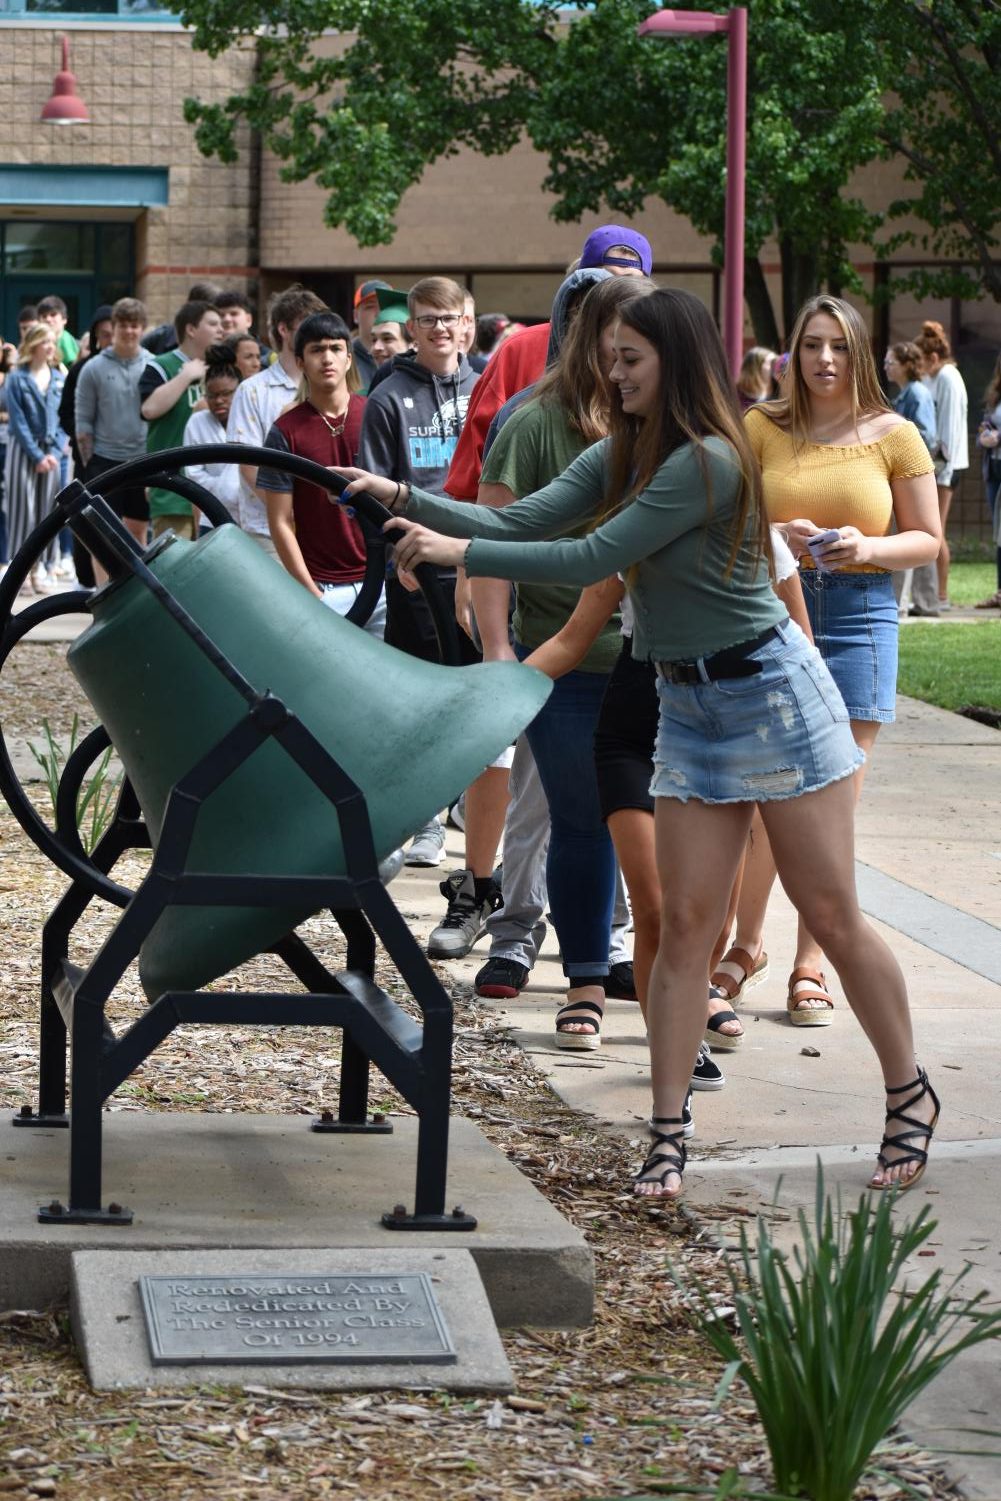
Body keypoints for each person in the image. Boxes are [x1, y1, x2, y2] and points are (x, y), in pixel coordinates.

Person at [335, 287, 941, 1201]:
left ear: (676, 361)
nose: (609, 374)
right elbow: (527, 517)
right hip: (686, 707)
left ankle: (908, 1093)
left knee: (831, 914)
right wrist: (404, 496)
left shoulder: (705, 460)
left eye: (628, 360)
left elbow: (586, 557)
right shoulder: (626, 447)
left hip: (771, 695)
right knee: (684, 925)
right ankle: (666, 1134)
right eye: (608, 358)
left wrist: (456, 554)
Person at [722, 294, 940, 1029]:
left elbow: (927, 540)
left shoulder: (894, 433)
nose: (823, 359)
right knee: (766, 793)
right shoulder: (758, 426)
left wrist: (864, 545)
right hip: (775, 610)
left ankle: (807, 962)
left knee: (830, 806)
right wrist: (775, 529)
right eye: (810, 345)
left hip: (860, 614)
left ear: (859, 353)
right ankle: (745, 944)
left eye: (838, 346)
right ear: (791, 352)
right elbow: (728, 518)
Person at [459, 272, 648, 1037]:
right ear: (588, 334)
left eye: (641, 338)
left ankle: (676, 981)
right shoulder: (532, 422)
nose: (625, 353)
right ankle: (586, 980)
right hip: (562, 661)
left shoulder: (665, 424)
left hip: (653, 657)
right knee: (578, 819)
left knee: (652, 825)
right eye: (616, 334)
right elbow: (495, 539)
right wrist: (500, 648)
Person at [255, 312, 381, 632]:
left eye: (336, 348)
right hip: (323, 588)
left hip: (383, 582)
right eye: (316, 350)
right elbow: (280, 521)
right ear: (300, 361)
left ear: (349, 359)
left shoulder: (376, 414)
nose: (327, 358)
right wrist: (309, 591)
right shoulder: (285, 430)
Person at [226, 285, 328, 558]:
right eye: (306, 324)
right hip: (267, 531)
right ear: (283, 330)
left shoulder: (329, 386)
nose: (315, 333)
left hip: (322, 532)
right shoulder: (253, 390)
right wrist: (289, 512)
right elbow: (247, 462)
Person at [74, 297, 154, 576]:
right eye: (123, 325)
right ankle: (104, 595)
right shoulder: (94, 368)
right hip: (104, 460)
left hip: (143, 460)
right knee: (104, 537)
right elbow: (83, 422)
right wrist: (90, 463)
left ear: (142, 328)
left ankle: (140, 595)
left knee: (138, 532)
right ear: (115, 327)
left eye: (135, 325)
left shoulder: (153, 365)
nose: (129, 331)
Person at [139, 298, 225, 539]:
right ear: (191, 329)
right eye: (213, 323)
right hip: (173, 492)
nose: (221, 329)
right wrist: (185, 376)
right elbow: (149, 409)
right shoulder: (161, 365)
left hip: (215, 490)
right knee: (172, 570)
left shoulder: (221, 370)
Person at [3, 322, 68, 591]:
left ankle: (40, 569)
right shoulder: (17, 377)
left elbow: (65, 418)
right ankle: (20, 572)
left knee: (47, 513)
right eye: (45, 341)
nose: (50, 346)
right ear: (33, 344)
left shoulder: (58, 378)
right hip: (23, 451)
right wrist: (36, 455)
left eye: (52, 341)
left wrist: (52, 453)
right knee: (22, 512)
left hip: (51, 454)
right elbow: (16, 422)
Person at [909, 320, 968, 615]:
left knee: (936, 532)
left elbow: (947, 429)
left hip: (946, 465)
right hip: (941, 464)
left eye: (921, 361)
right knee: (934, 529)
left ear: (933, 358)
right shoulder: (937, 377)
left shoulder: (947, 377)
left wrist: (938, 468)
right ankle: (936, 593)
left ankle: (941, 594)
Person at [182, 342, 242, 532]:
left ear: (240, 390)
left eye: (226, 394)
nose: (219, 401)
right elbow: (193, 474)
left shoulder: (249, 420)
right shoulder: (197, 422)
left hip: (249, 516)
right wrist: (228, 487)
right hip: (212, 517)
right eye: (212, 395)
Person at [974, 352, 1001, 610]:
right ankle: (1000, 592)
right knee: (999, 534)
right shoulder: (994, 397)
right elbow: (982, 428)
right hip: (994, 469)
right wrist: (984, 437)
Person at [351, 279, 392, 392]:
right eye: (370, 307)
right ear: (355, 316)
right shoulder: (344, 358)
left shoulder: (405, 354)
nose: (379, 313)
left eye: (385, 306)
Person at [36, 295, 79, 367]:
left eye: (53, 315)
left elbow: (73, 368)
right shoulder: (39, 340)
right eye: (44, 316)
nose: (48, 319)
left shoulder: (64, 339)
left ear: (64, 319)